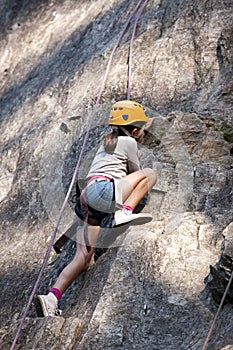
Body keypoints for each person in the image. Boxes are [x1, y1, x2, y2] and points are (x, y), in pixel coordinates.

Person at [35, 100, 157, 317]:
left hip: (87, 198)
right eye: (142, 130)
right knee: (150, 174)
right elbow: (135, 172)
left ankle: (51, 297)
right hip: (103, 191)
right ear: (136, 130)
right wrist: (137, 156)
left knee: (83, 258)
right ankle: (124, 211)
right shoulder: (129, 142)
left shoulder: (107, 142)